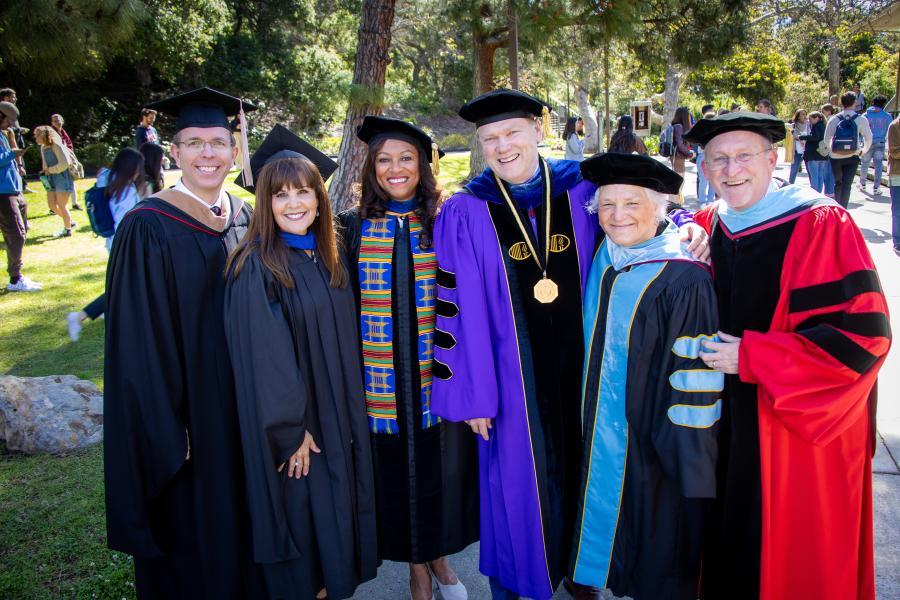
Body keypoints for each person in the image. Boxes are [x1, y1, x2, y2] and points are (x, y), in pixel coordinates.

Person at [431, 88, 708, 600]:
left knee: (591, 475)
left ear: (540, 130)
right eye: (490, 138)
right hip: (512, 385)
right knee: (516, 491)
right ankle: (518, 586)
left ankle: (585, 576)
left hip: (589, 377)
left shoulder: (581, 187)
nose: (503, 146)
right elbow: (457, 306)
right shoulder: (467, 210)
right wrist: (473, 397)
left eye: (513, 132)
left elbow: (641, 211)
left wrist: (688, 225)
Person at [684, 112, 890, 600]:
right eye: (718, 159)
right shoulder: (710, 222)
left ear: (773, 159)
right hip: (722, 422)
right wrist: (680, 227)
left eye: (744, 156)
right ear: (706, 167)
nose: (731, 170)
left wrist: (754, 358)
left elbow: (864, 338)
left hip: (789, 430)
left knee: (787, 560)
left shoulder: (822, 223)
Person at [103, 87, 265, 598]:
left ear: (234, 151)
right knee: (193, 541)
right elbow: (137, 347)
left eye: (218, 142)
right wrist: (169, 429)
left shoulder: (246, 217)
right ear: (174, 153)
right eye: (194, 143)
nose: (208, 154)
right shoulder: (147, 227)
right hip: (189, 422)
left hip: (244, 414)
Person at [224, 124, 378, 600]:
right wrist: (290, 431)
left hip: (338, 416)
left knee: (334, 528)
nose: (295, 204)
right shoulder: (257, 266)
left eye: (304, 191)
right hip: (301, 429)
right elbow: (264, 359)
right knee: (306, 529)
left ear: (319, 197)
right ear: (264, 204)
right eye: (281, 195)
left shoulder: (327, 254)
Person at [571, 152, 720, 600]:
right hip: (600, 431)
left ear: (659, 208)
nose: (618, 217)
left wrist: (685, 463)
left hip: (656, 445)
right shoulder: (605, 254)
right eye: (608, 205)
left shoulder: (683, 276)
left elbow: (695, 379)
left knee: (656, 550)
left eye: (632, 204)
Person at [341, 116, 478, 600]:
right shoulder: (351, 229)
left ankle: (433, 562)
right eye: (384, 159)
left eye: (406, 158)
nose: (395, 169)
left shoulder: (448, 219)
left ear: (423, 165)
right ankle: (426, 568)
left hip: (437, 378)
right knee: (396, 475)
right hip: (378, 385)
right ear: (370, 168)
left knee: (438, 472)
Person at [66, 148, 144, 341]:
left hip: (112, 242)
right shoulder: (126, 190)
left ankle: (105, 312)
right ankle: (81, 315)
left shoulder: (107, 178)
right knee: (126, 285)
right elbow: (125, 222)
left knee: (126, 284)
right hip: (125, 244)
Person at [0, 100, 40, 292]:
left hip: (13, 189)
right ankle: (15, 279)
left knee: (21, 232)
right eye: (8, 120)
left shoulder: (3, 134)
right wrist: (11, 154)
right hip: (2, 193)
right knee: (16, 235)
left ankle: (18, 276)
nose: (10, 125)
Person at [825, 91, 873, 208]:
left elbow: (826, 139)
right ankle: (844, 210)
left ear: (842, 103)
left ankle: (837, 209)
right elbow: (869, 138)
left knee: (838, 184)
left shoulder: (834, 119)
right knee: (847, 185)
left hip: (836, 157)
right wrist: (863, 151)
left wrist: (832, 151)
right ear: (854, 102)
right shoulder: (861, 119)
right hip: (853, 155)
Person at [35, 125, 76, 237]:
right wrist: (44, 172)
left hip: (62, 178)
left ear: (43, 135)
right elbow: (45, 164)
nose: (35, 138)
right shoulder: (43, 147)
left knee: (62, 205)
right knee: (52, 205)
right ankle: (69, 221)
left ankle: (67, 230)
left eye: (37, 135)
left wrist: (50, 170)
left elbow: (64, 164)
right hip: (50, 178)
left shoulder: (57, 146)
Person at [0, 87, 32, 195]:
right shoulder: (6, 113)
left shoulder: (8, 127)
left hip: (11, 187)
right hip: (4, 189)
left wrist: (19, 165)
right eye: (13, 96)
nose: (15, 99)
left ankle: (22, 186)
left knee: (22, 205)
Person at [859, 95, 892, 195]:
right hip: (880, 143)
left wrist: (861, 141)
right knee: (878, 165)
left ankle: (862, 184)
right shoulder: (887, 116)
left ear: (873, 103)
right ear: (883, 104)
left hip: (867, 143)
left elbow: (860, 130)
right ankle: (876, 188)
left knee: (865, 164)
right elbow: (890, 130)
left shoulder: (865, 115)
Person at [50, 113, 82, 210]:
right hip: (57, 161)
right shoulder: (51, 132)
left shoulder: (63, 132)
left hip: (67, 160)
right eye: (55, 121)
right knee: (57, 184)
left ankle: (74, 203)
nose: (58, 122)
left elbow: (69, 145)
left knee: (71, 180)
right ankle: (53, 207)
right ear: (52, 123)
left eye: (59, 120)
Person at [798, 111, 828, 193]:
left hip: (814, 154)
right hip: (822, 155)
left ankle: (814, 192)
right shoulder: (824, 126)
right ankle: (819, 192)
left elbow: (815, 137)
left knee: (814, 175)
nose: (810, 122)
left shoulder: (817, 126)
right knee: (820, 176)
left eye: (810, 120)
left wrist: (802, 137)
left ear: (816, 118)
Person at [671, 106, 694, 202]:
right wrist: (690, 154)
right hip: (678, 157)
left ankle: (677, 203)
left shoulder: (675, 126)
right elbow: (680, 145)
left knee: (678, 182)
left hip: (676, 157)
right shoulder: (679, 127)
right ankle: (676, 204)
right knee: (679, 182)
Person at [695, 111, 718, 206]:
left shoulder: (710, 131)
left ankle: (709, 200)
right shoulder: (705, 131)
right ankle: (704, 200)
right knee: (705, 179)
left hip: (708, 155)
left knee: (711, 179)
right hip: (704, 155)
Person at [889, 111, 900, 256]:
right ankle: (897, 241)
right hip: (897, 173)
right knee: (898, 210)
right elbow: (894, 152)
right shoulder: (894, 126)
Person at [820, 103, 837, 197]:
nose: (823, 114)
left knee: (828, 170)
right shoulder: (836, 118)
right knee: (830, 170)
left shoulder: (830, 120)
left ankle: (829, 191)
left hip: (829, 148)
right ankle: (830, 190)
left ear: (828, 111)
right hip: (835, 147)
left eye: (823, 111)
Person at [788, 109, 808, 184]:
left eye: (805, 114)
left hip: (807, 149)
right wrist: (800, 139)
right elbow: (794, 134)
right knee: (794, 168)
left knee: (810, 169)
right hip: (797, 149)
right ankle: (790, 184)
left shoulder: (808, 124)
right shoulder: (794, 125)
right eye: (802, 114)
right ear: (798, 116)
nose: (804, 116)